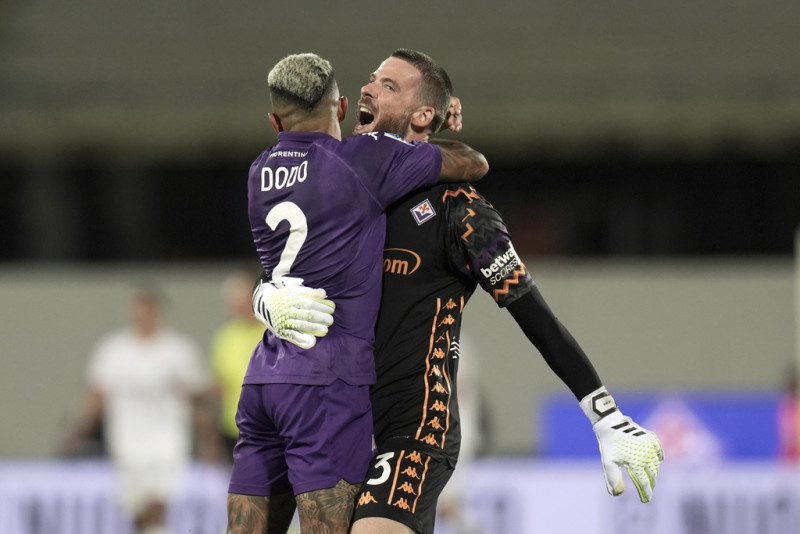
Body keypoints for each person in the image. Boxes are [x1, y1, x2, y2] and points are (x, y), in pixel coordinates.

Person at [256, 49, 664, 534]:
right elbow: (286, 264)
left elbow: (534, 314)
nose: (366, 89)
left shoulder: (461, 211)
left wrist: (604, 414)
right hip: (340, 420)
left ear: (423, 114)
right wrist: (266, 297)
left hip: (414, 426)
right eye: (370, 79)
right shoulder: (344, 187)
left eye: (388, 86)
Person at [226, 52, 488, 534]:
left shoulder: (259, 171)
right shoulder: (363, 161)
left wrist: (263, 294)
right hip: (327, 380)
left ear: (273, 120)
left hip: (265, 376)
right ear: (342, 107)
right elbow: (472, 164)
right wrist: (439, 123)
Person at [59, 286, 221, 534]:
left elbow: (196, 400)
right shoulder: (113, 350)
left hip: (168, 439)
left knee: (160, 499)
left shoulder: (178, 350)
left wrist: (208, 440)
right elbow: (95, 395)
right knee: (135, 505)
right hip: (127, 439)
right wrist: (76, 432)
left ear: (159, 312)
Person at [209, 270, 267, 462]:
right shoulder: (225, 337)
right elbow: (219, 388)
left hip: (271, 428)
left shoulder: (272, 332)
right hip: (234, 429)